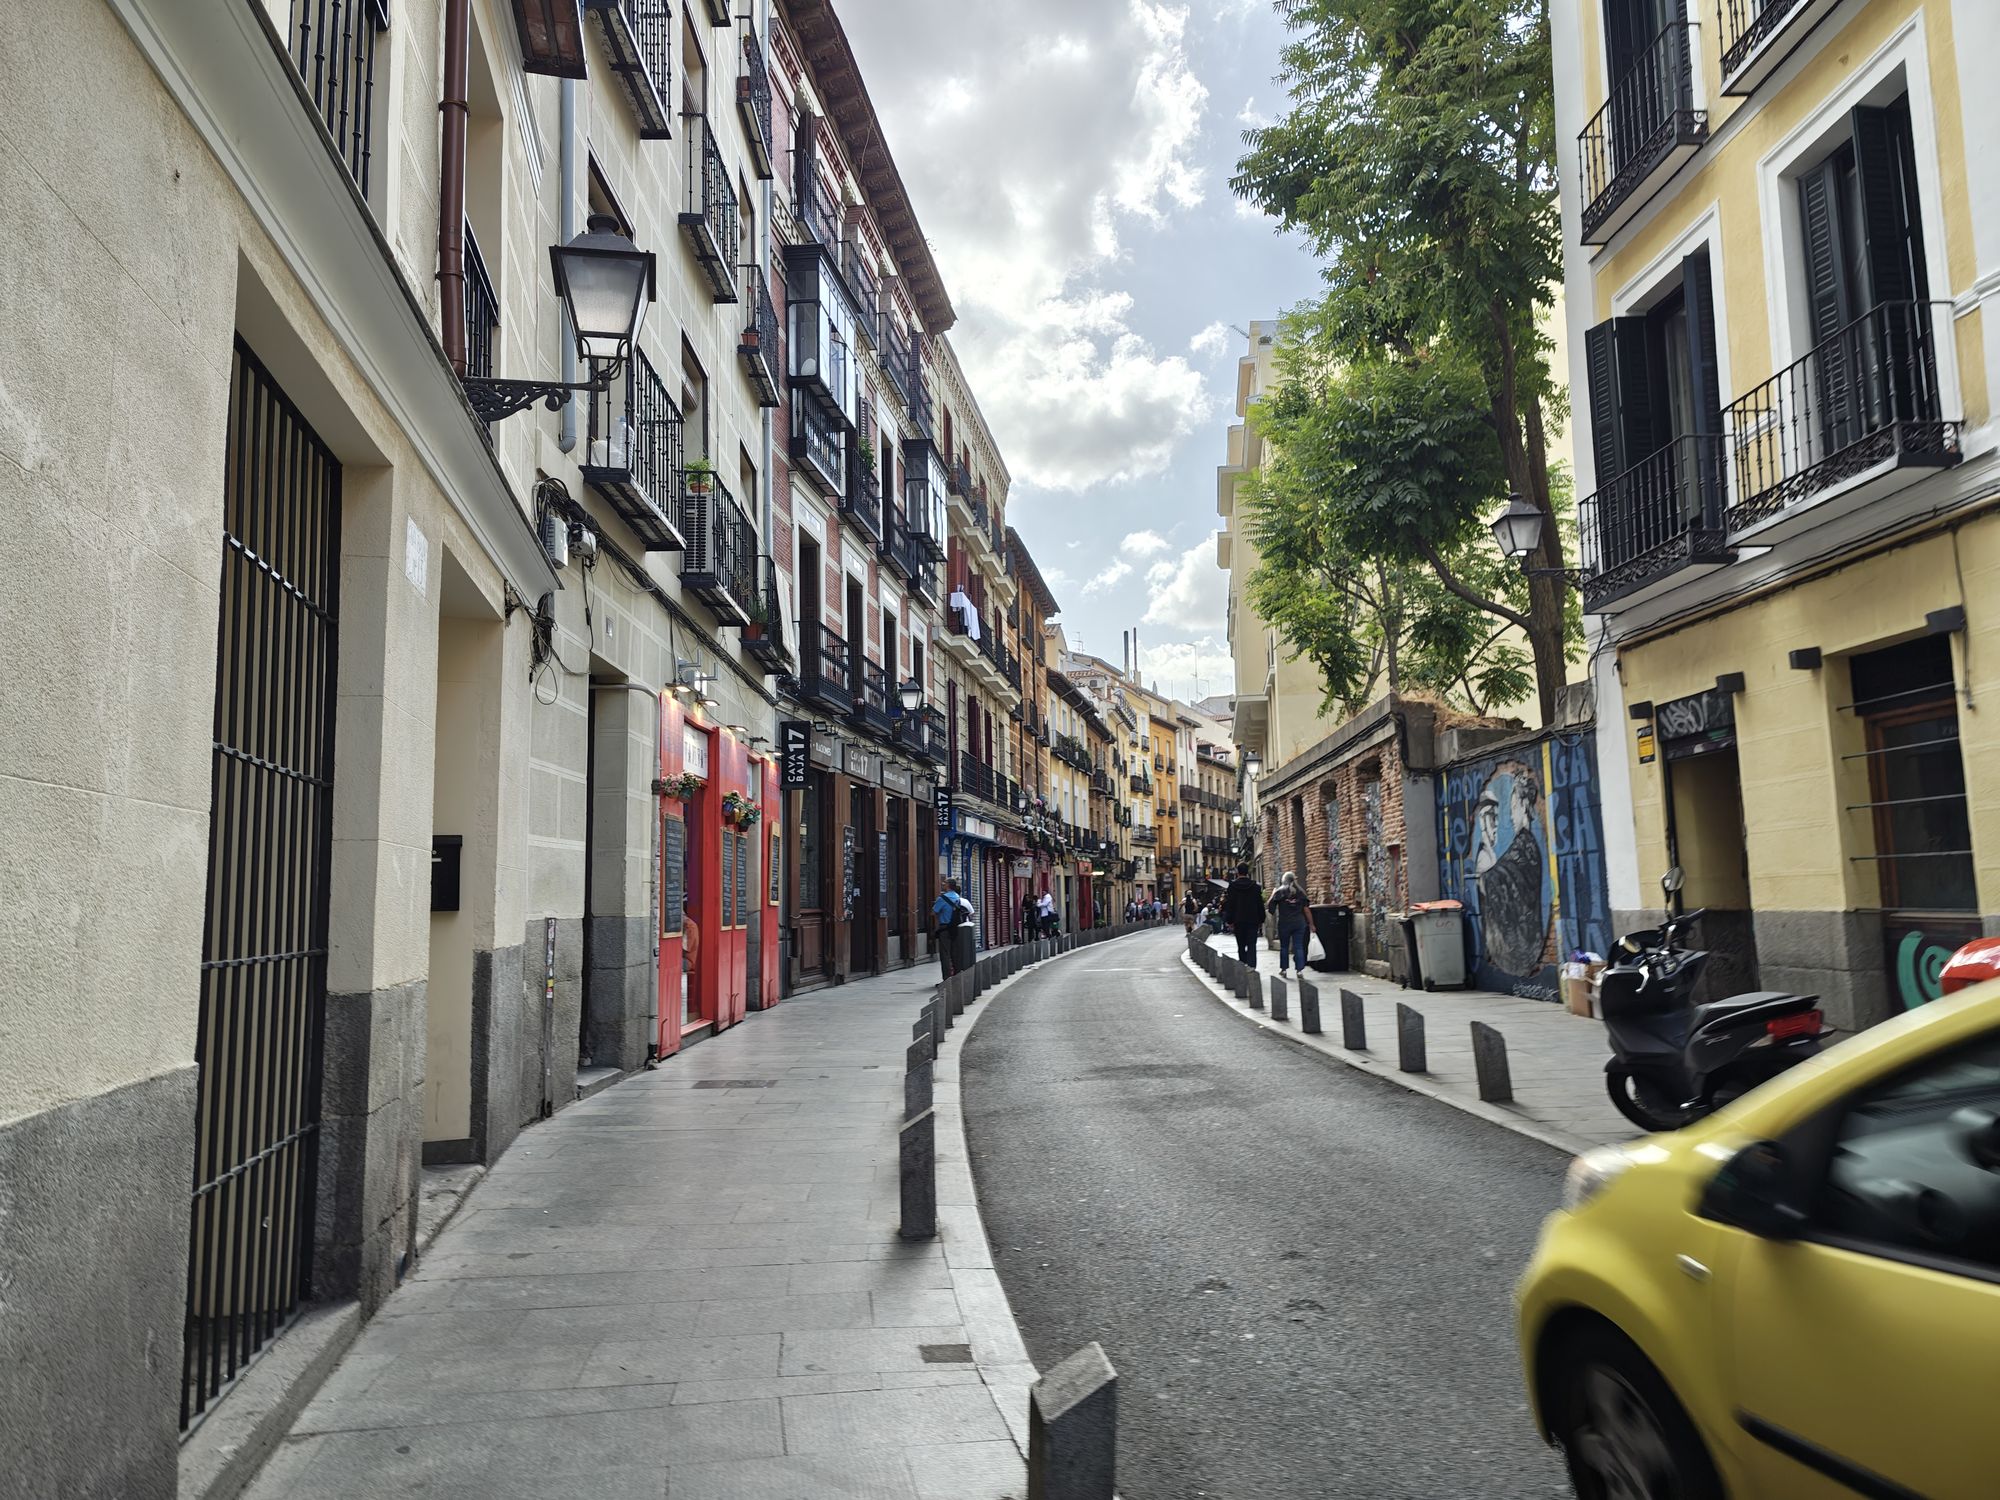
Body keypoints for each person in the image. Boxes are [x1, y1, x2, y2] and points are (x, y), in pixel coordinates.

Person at [1267, 870, 1312, 977]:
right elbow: (1306, 910)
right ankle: (1299, 970)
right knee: (1299, 946)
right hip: (1299, 922)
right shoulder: (1301, 892)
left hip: (1284, 923)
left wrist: (1272, 894)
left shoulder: (1279, 892)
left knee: (1284, 947)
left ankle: (1284, 970)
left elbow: (1270, 908)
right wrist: (1311, 923)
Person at [1221, 864, 1265, 967]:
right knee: (1252, 944)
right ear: (1247, 872)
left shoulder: (1232, 887)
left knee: (1241, 945)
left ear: (1237, 872)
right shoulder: (1255, 887)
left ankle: (1243, 965)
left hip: (1238, 920)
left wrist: (1230, 920)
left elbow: (1230, 904)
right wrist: (1261, 919)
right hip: (1253, 920)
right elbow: (1259, 904)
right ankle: (1252, 967)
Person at [934, 879, 975, 980]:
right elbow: (971, 913)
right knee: (956, 953)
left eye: (944, 883)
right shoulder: (962, 900)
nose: (943, 884)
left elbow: (934, 911)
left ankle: (947, 979)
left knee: (945, 954)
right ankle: (957, 976)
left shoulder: (942, 898)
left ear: (948, 886)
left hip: (945, 929)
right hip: (959, 930)